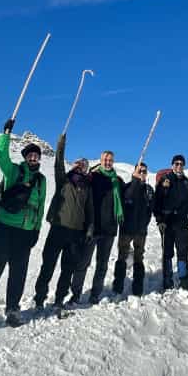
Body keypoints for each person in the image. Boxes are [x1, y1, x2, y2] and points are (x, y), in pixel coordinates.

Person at [0, 119, 47, 327]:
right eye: (30, 154)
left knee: (18, 273)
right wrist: (6, 134)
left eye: (37, 155)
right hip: (5, 227)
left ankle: (13, 309)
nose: (33, 157)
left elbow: (40, 207)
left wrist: (36, 230)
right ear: (25, 157)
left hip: (25, 232)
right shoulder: (14, 171)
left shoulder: (42, 180)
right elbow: (1, 156)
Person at [33, 133, 93, 312]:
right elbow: (58, 163)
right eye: (78, 164)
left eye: (83, 165)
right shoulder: (64, 180)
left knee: (68, 269)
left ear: (86, 169)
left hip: (76, 233)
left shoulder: (87, 188)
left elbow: (90, 211)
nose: (80, 166)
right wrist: (61, 144)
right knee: (48, 265)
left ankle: (59, 299)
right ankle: (39, 299)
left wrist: (90, 228)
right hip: (58, 229)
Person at [71, 150, 125, 304]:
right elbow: (78, 185)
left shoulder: (117, 181)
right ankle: (75, 294)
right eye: (105, 159)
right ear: (101, 160)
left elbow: (126, 196)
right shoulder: (93, 177)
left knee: (102, 264)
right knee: (83, 263)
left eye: (110, 160)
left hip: (109, 229)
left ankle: (95, 294)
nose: (108, 162)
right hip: (93, 228)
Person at [112, 162, 154, 297]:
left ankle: (138, 287)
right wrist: (135, 181)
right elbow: (127, 197)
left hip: (141, 231)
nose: (142, 173)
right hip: (126, 229)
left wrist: (145, 223)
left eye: (144, 171)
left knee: (138, 258)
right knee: (122, 256)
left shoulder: (149, 190)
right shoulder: (128, 187)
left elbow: (150, 209)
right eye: (139, 171)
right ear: (135, 173)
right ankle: (117, 286)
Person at [155, 154, 188, 291]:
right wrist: (159, 219)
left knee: (183, 252)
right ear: (172, 165)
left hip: (182, 223)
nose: (179, 166)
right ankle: (167, 280)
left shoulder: (187, 182)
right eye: (176, 164)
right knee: (167, 253)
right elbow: (157, 202)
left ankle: (184, 280)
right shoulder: (165, 180)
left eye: (181, 164)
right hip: (167, 222)